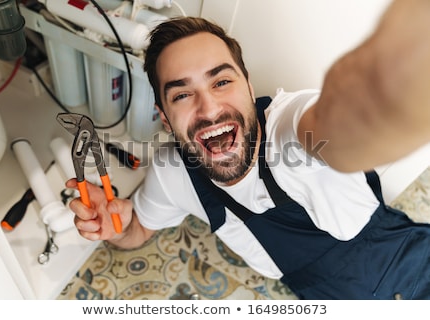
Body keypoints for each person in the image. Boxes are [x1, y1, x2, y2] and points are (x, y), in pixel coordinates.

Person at [67, 0, 430, 299]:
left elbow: (341, 124)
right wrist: (114, 225)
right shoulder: (172, 173)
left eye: (222, 81)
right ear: (164, 117)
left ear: (248, 86)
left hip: (413, 275)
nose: (208, 109)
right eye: (181, 94)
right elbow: (138, 231)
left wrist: (399, 72)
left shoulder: (289, 126)